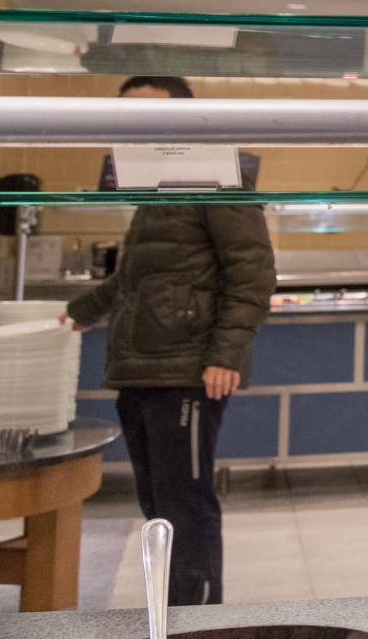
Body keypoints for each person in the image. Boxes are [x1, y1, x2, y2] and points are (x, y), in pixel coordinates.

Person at [62, 76, 276, 605]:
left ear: (184, 118)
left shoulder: (215, 178)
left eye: (148, 113)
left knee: (185, 506)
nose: (134, 127)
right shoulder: (151, 191)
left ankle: (197, 617)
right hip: (139, 368)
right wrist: (78, 313)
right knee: (157, 504)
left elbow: (252, 273)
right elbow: (135, 277)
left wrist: (225, 354)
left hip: (186, 372)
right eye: (125, 115)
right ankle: (171, 611)